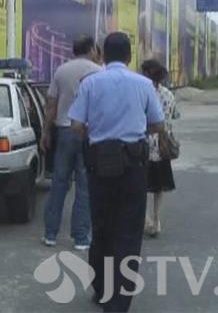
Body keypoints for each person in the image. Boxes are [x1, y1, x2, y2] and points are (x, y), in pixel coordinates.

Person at [68, 32, 165, 312]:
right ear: (130, 56)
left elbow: (76, 126)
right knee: (128, 233)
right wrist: (136, 128)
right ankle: (119, 303)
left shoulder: (90, 83)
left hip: (99, 165)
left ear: (102, 55)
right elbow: (158, 124)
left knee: (101, 227)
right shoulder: (144, 84)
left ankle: (101, 289)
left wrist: (97, 133)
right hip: (133, 167)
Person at [41, 35, 101, 250]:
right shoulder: (99, 72)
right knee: (85, 187)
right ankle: (81, 237)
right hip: (89, 133)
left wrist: (46, 132)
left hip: (64, 131)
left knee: (59, 183)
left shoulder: (61, 71)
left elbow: (51, 105)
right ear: (92, 49)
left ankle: (50, 234)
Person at [141, 60, 178, 238]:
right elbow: (175, 115)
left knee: (141, 184)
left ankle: (145, 220)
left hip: (145, 143)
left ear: (147, 73)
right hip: (163, 145)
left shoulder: (143, 92)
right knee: (159, 187)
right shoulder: (169, 94)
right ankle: (156, 219)